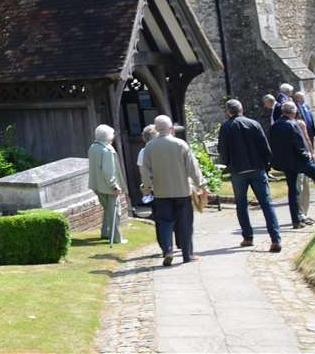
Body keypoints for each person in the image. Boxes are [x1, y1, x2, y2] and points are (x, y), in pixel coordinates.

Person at [139, 115, 206, 267]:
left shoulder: (149, 147)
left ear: (156, 129)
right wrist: (201, 184)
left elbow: (145, 171)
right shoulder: (180, 144)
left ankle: (168, 250)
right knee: (185, 223)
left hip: (161, 191)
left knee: (164, 222)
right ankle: (187, 254)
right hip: (181, 190)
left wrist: (147, 188)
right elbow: (192, 168)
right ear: (171, 128)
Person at [216, 99, 281, 251]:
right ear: (241, 109)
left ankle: (247, 237)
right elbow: (265, 147)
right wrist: (266, 166)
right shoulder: (253, 124)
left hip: (238, 170)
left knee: (241, 205)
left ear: (228, 112)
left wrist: (227, 165)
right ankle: (275, 239)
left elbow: (222, 150)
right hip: (257, 168)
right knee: (266, 203)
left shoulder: (226, 127)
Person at [268, 101, 315, 228]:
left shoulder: (275, 126)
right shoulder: (292, 124)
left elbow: (273, 145)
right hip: (299, 161)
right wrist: (307, 155)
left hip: (286, 163)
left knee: (293, 191)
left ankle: (296, 220)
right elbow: (298, 144)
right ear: (293, 112)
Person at [88, 124, 125, 245]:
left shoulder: (93, 147)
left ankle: (105, 233)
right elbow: (108, 171)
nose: (113, 136)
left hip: (96, 185)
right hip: (107, 187)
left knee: (107, 209)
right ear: (107, 136)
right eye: (112, 134)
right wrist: (114, 185)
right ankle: (116, 238)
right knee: (115, 212)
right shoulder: (107, 150)